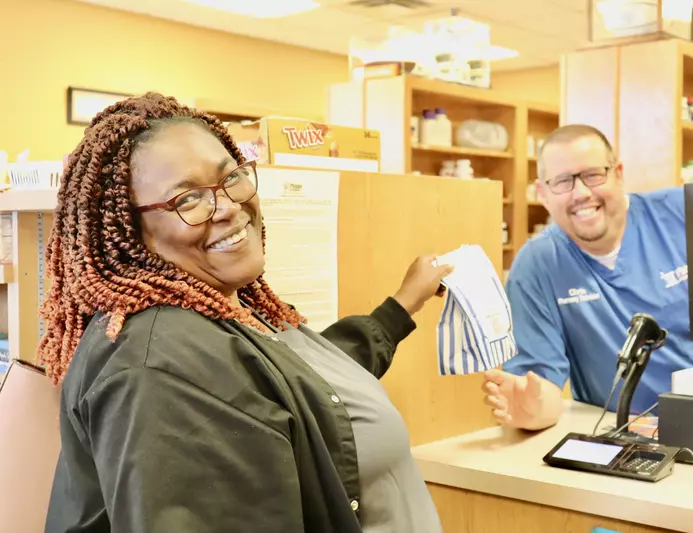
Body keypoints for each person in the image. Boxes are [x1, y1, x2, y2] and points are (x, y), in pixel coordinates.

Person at [41, 92, 452, 533]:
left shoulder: (229, 306)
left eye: (231, 177)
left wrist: (402, 306)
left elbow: (300, 389)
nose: (229, 207)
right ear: (127, 226)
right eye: (188, 199)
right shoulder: (159, 365)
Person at [483, 124, 693, 431]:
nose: (581, 193)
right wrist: (529, 409)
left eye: (593, 175)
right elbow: (541, 387)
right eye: (562, 182)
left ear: (618, 173)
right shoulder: (537, 264)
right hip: (627, 435)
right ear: (542, 193)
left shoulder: (684, 214)